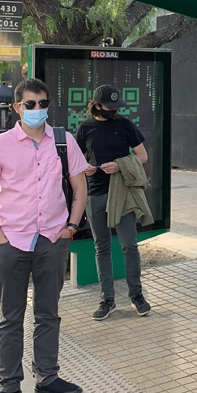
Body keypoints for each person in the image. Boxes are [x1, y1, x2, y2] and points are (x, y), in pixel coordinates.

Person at [0, 78, 89, 393]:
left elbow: (80, 189)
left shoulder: (64, 142)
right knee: (10, 318)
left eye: (43, 103)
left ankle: (47, 378)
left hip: (52, 241)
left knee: (48, 314)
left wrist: (71, 226)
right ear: (17, 107)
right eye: (30, 104)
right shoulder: (0, 146)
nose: (38, 109)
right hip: (12, 243)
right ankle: (9, 386)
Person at [74, 84, 152, 320]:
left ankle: (137, 296)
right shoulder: (85, 128)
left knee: (129, 245)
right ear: (97, 106)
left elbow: (143, 156)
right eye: (110, 106)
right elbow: (75, 159)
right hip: (95, 193)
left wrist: (120, 165)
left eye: (117, 106)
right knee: (102, 247)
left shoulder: (125, 124)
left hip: (123, 193)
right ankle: (107, 300)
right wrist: (83, 167)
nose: (115, 110)